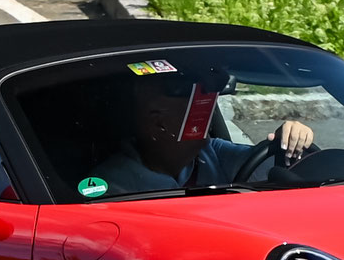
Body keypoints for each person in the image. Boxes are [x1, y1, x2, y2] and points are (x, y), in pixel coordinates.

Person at [88, 73, 314, 196]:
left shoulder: (211, 152)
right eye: (194, 104)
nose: (206, 111)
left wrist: (292, 137)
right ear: (159, 122)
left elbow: (269, 166)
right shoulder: (112, 183)